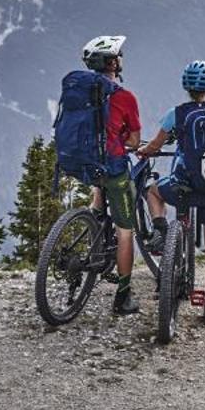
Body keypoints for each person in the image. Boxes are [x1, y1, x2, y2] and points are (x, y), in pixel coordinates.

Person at [140, 59, 205, 324]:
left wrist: (144, 151)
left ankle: (163, 233)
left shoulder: (177, 113)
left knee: (153, 191)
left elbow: (154, 145)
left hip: (184, 188)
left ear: (186, 85)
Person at [73, 35, 146, 317]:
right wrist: (125, 140)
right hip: (113, 167)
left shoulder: (79, 91)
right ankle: (123, 296)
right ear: (113, 62)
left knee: (98, 185)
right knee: (125, 231)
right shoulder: (124, 97)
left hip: (85, 163)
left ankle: (93, 223)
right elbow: (134, 142)